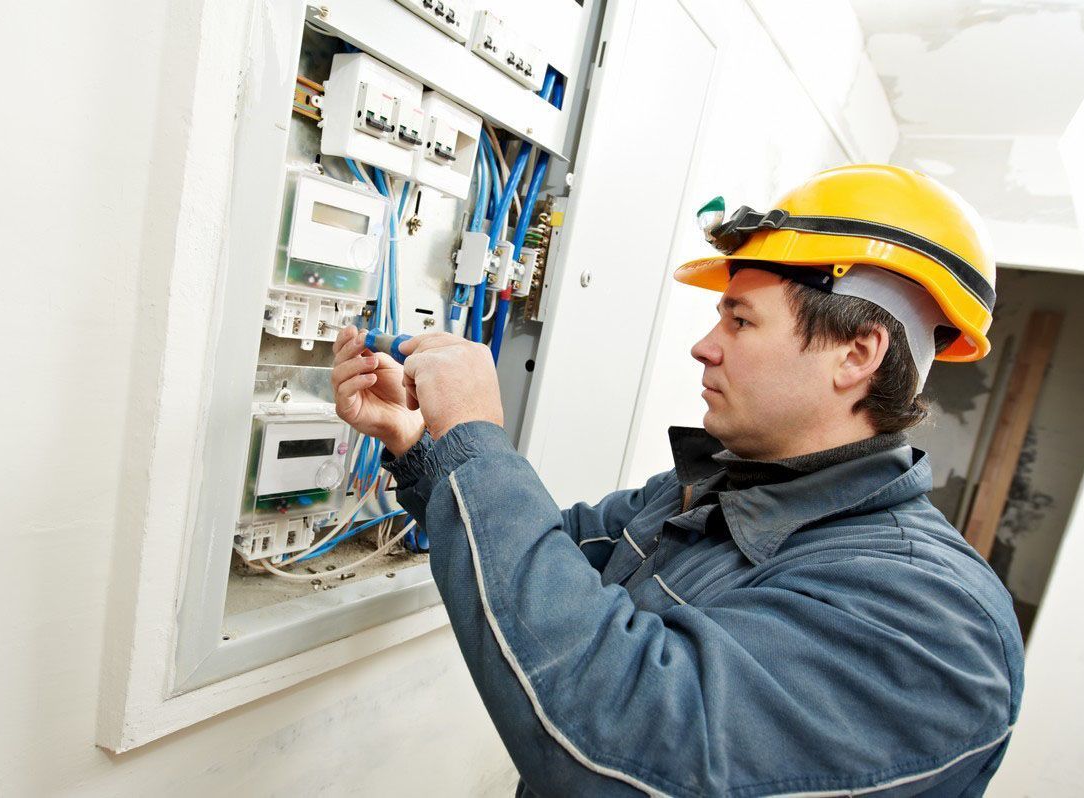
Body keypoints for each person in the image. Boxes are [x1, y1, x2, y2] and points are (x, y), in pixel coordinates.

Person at [330, 164, 1023, 796]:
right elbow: (554, 560)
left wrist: (476, 439)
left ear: (856, 354)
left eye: (740, 319)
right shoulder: (713, 490)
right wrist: (425, 446)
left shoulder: (934, 619)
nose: (704, 345)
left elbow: (622, 750)